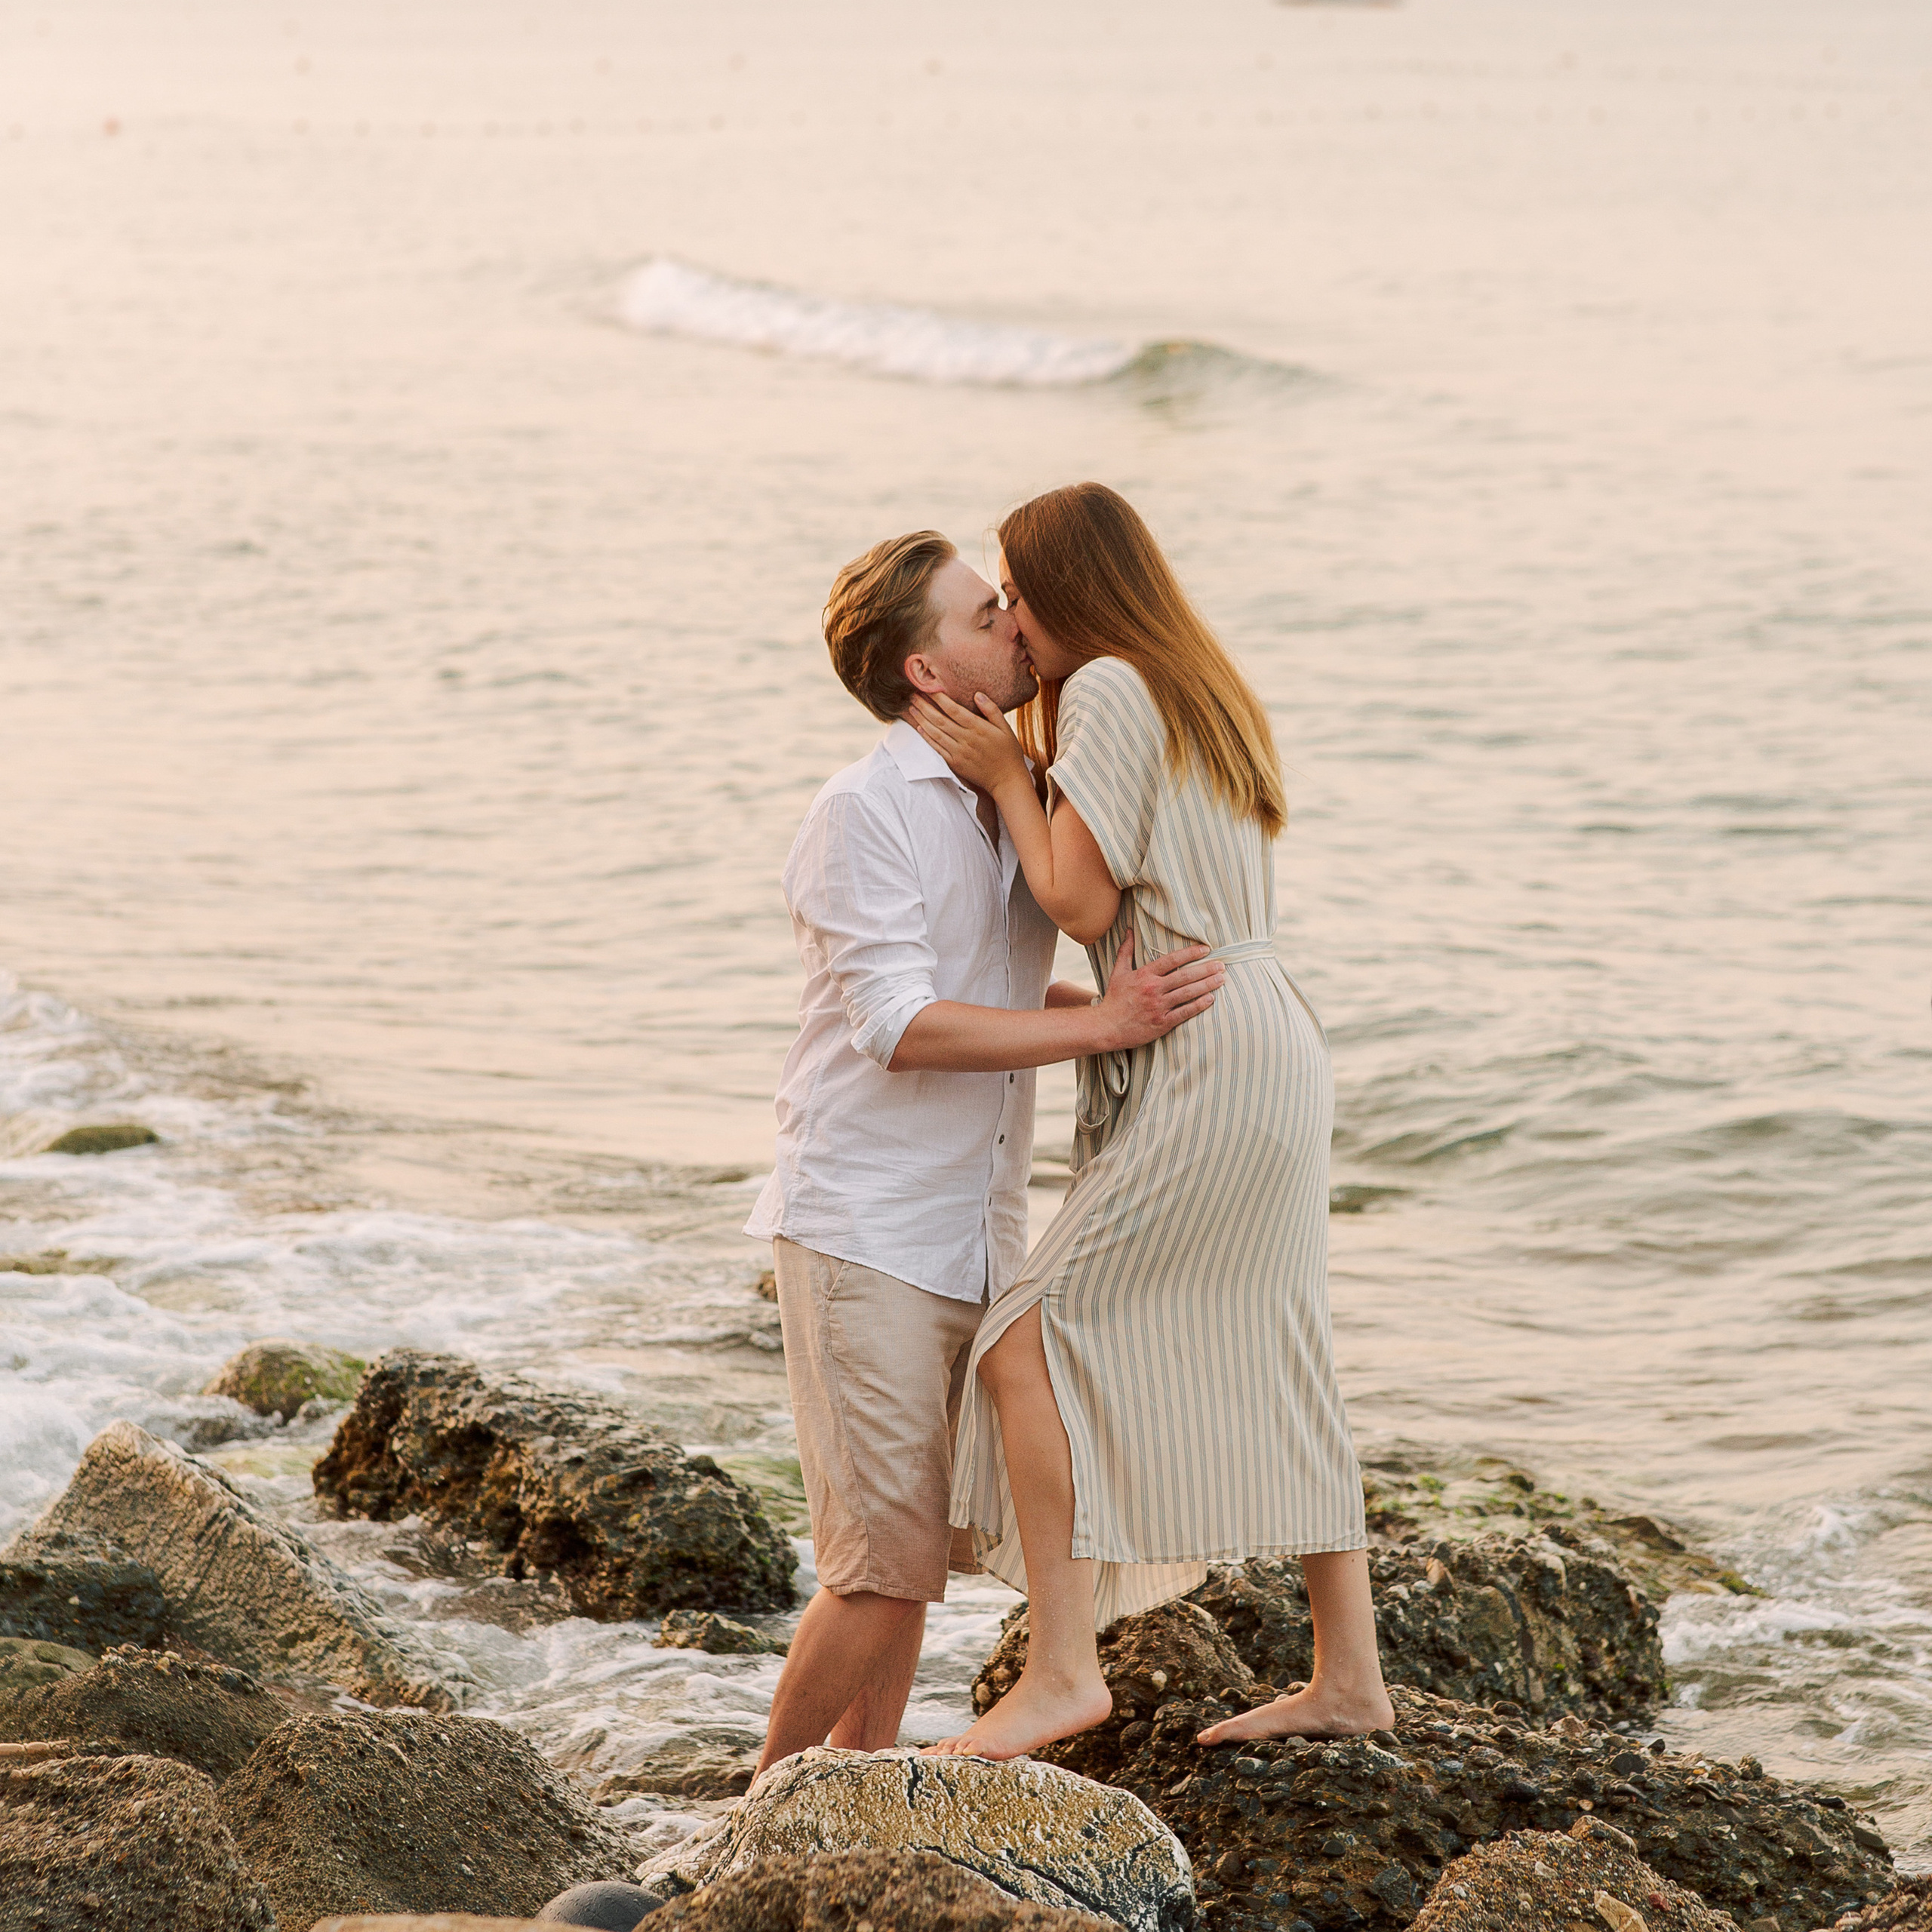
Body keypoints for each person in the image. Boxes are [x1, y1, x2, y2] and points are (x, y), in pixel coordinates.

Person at [909, 482, 1392, 1760]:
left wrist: (1015, 775)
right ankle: (1351, 1678)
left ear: (1072, 586)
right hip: (1265, 1034)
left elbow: (1076, 895)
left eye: (1015, 587)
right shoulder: (1201, 686)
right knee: (1285, 1338)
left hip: (1201, 1052)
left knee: (1025, 1336)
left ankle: (1064, 1672)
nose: (1007, 616)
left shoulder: (1115, 688)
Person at [744, 528, 1227, 1773]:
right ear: (926, 671)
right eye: (983, 615)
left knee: (913, 1566)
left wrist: (1131, 1015)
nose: (1016, 624)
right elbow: (899, 1024)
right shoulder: (865, 811)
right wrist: (1102, 1024)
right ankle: (759, 1815)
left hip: (971, 1229)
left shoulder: (997, 799)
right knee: (878, 1568)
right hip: (867, 1228)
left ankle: (862, 1793)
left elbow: (992, 983)